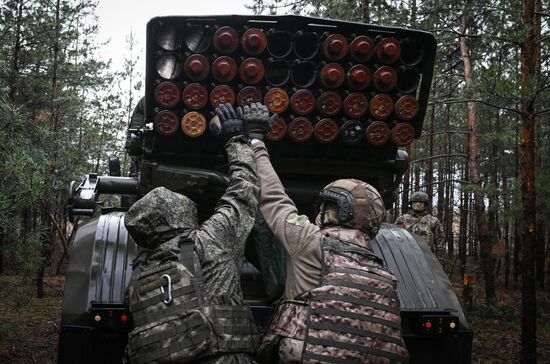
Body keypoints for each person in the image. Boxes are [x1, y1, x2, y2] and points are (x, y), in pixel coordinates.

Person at [243, 103, 409, 363]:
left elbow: (272, 195)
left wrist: (255, 140)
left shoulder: (310, 242)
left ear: (338, 211)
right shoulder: (384, 276)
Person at [124, 104, 260, 364]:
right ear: (180, 213)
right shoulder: (210, 240)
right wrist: (236, 140)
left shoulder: (136, 280)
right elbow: (244, 190)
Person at [395, 191, 445, 260]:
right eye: (415, 202)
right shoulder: (402, 220)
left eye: (421, 202)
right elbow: (395, 240)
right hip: (406, 259)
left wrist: (439, 262)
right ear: (411, 204)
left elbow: (440, 244)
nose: (418, 204)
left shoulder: (433, 221)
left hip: (427, 259)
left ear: (425, 204)